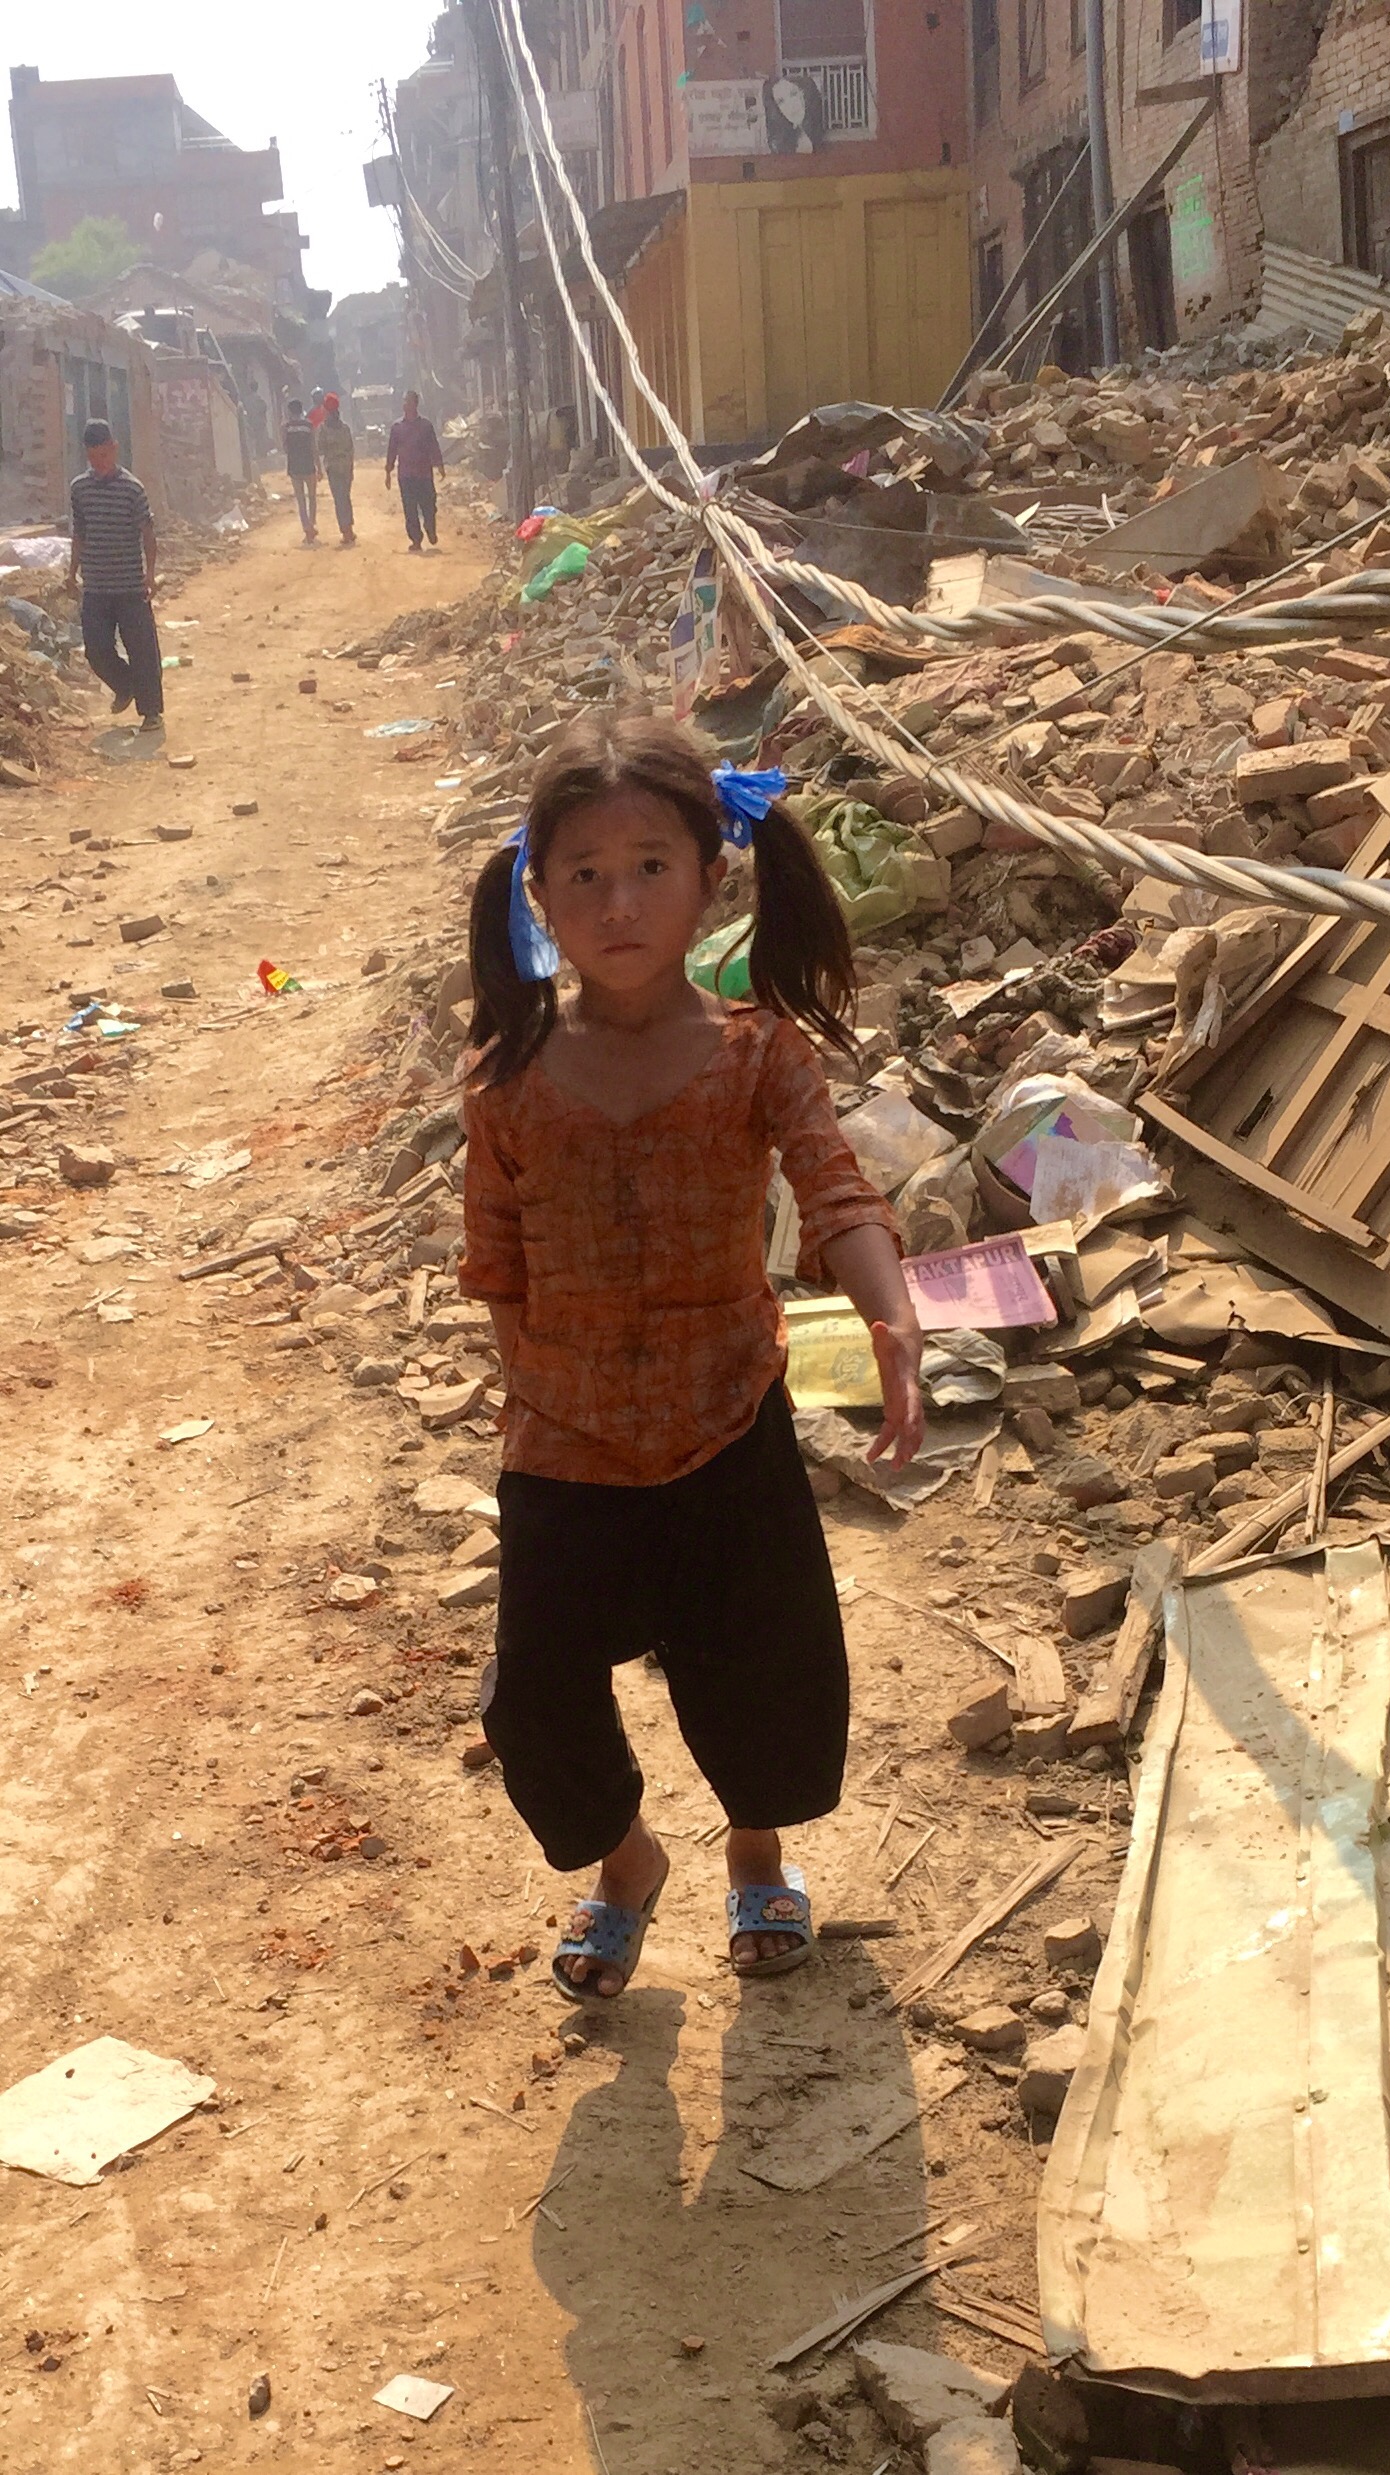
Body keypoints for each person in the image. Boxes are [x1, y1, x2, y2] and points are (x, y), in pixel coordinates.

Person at [460, 715, 923, 2000]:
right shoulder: (506, 1077)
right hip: (562, 1445)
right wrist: (542, 1396)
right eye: (586, 874)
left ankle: (754, 1854)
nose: (619, 902)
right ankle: (627, 1864)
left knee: (760, 1674)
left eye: (650, 867)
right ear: (539, 895)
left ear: (709, 881)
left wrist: (891, 1318)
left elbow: (835, 1191)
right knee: (535, 1706)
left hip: (726, 1421)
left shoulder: (756, 1052)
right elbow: (496, 1264)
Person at [67, 420, 164, 734]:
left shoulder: (132, 489)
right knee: (96, 650)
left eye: (104, 455)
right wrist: (72, 573)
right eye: (93, 457)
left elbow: (147, 533)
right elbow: (79, 533)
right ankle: (125, 685)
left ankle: (151, 712)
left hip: (130, 585)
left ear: (114, 448)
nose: (100, 462)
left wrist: (150, 575)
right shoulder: (79, 489)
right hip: (96, 586)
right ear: (87, 454)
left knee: (143, 650)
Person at [385, 389, 445, 552]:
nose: (404, 404)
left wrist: (440, 465)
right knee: (410, 509)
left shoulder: (426, 426)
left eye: (407, 401)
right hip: (406, 476)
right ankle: (416, 539)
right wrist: (388, 472)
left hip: (424, 474)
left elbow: (434, 446)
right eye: (404, 401)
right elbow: (392, 451)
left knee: (429, 505)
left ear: (415, 404)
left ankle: (430, 528)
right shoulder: (397, 427)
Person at [316, 393, 357, 547]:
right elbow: (351, 449)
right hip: (345, 466)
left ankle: (346, 531)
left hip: (333, 468)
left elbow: (320, 448)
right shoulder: (345, 428)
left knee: (339, 500)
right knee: (345, 497)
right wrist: (351, 468)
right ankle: (349, 529)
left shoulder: (323, 429)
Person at [283, 398, 320, 542]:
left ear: (290, 411)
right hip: (308, 465)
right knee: (312, 497)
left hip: (294, 467)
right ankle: (312, 524)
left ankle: (306, 528)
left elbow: (285, 447)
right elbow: (313, 447)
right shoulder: (309, 425)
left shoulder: (286, 427)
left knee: (301, 500)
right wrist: (319, 467)